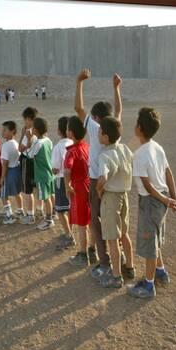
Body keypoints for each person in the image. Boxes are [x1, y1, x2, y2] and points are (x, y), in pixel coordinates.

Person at [74, 68, 123, 275]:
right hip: (116, 183)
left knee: (96, 221)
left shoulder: (96, 130)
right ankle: (119, 257)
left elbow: (78, 109)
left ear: (96, 118)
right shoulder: (116, 128)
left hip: (97, 181)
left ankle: (104, 263)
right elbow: (119, 111)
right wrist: (116, 88)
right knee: (115, 222)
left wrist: (79, 82)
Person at [128, 107, 176, 299]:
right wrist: (173, 197)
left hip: (152, 201)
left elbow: (148, 186)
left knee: (149, 243)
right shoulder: (157, 147)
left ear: (139, 128)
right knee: (156, 237)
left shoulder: (140, 154)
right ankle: (160, 271)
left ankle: (148, 286)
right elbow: (168, 172)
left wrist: (167, 199)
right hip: (162, 199)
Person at [95, 117, 135, 288]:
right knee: (124, 234)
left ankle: (116, 276)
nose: (97, 133)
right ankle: (130, 267)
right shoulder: (125, 149)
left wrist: (98, 190)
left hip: (111, 197)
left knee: (112, 238)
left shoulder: (105, 155)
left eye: (99, 131)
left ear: (105, 136)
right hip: (124, 195)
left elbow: (103, 177)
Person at [65, 116, 91, 266]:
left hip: (79, 188)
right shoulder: (86, 146)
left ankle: (83, 254)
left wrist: (67, 186)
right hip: (89, 185)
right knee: (91, 220)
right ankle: (92, 251)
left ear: (71, 133)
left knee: (82, 223)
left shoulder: (72, 151)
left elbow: (67, 170)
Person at [27, 117, 55, 230]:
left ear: (36, 130)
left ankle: (48, 220)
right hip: (49, 172)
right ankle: (53, 213)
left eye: (33, 127)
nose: (31, 129)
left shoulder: (37, 143)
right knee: (51, 195)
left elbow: (29, 155)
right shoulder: (48, 140)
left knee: (46, 197)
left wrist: (29, 139)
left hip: (41, 175)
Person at [51, 116, 74, 249]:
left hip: (61, 180)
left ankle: (68, 235)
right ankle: (69, 230)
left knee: (60, 210)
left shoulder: (58, 146)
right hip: (74, 181)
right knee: (69, 208)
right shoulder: (74, 144)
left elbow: (55, 169)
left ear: (59, 131)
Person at [0, 120, 25, 224]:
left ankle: (9, 215)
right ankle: (20, 210)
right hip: (17, 170)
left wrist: (2, 177)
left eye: (5, 130)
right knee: (17, 193)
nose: (2, 132)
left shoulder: (6, 146)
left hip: (9, 172)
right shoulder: (15, 143)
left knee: (3, 194)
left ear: (12, 131)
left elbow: (5, 163)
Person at [18, 107, 39, 225]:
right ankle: (39, 210)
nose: (24, 122)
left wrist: (22, 135)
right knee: (36, 188)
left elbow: (20, 148)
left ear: (28, 119)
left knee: (27, 190)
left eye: (25, 120)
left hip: (27, 161)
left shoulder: (28, 133)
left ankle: (30, 214)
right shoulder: (38, 131)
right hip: (35, 161)